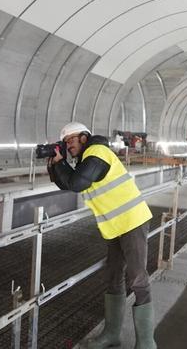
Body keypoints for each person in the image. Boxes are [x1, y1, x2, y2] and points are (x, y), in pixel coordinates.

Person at [47, 122, 156, 349]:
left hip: (132, 221)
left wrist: (62, 164)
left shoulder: (98, 153)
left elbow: (75, 183)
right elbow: (68, 183)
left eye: (71, 140)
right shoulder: (85, 162)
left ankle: (146, 342)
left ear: (85, 138)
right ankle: (111, 334)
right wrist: (55, 164)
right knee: (113, 276)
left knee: (137, 277)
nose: (69, 145)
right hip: (115, 227)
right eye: (66, 142)